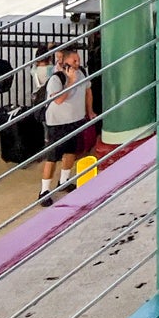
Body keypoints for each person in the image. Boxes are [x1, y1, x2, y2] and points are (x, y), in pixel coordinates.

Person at [38, 44, 94, 207]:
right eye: (74, 60)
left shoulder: (82, 73)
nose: (78, 63)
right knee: (53, 157)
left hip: (75, 120)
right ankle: (44, 191)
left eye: (78, 60)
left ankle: (64, 180)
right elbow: (58, 100)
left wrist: (89, 111)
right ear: (65, 62)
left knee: (71, 151)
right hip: (57, 123)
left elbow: (88, 91)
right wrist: (70, 82)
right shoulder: (57, 79)